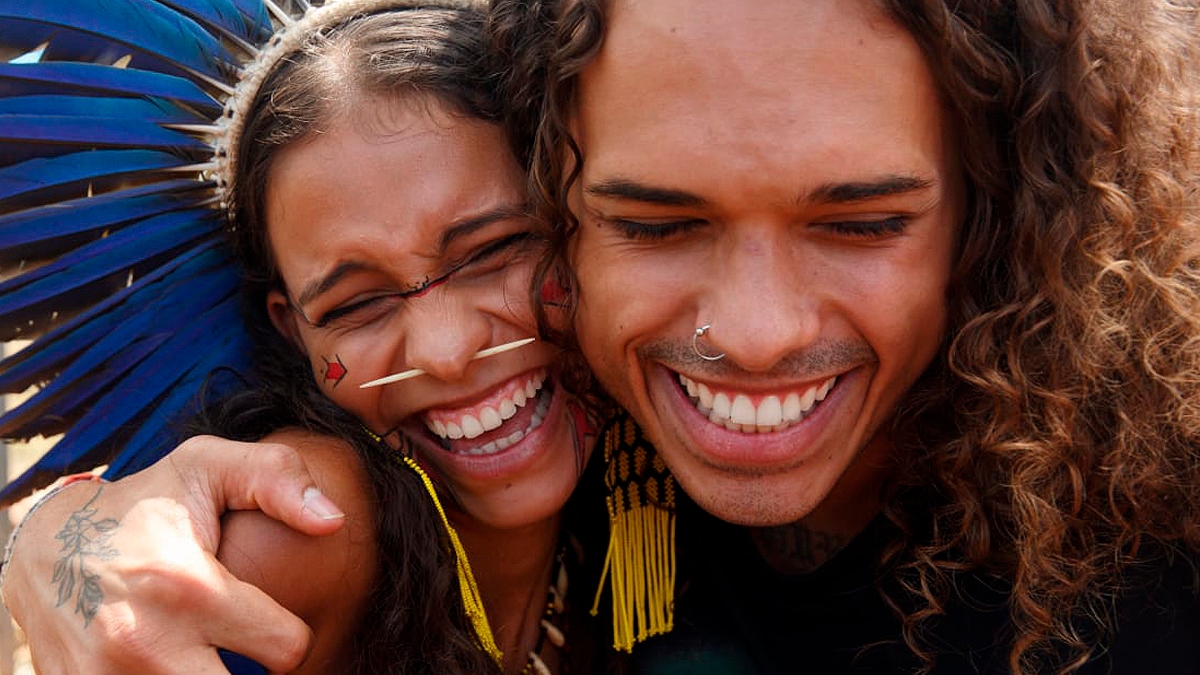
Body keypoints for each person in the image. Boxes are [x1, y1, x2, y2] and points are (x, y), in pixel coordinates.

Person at [6, 0, 1200, 673]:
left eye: (863, 220)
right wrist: (80, 532)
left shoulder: (1145, 531)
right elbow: (258, 538)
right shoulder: (370, 512)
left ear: (1002, 208)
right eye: (658, 222)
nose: (757, 330)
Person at [0, 1, 605, 674]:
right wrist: (51, 534)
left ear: (578, 214)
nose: (447, 350)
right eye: (360, 303)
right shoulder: (301, 536)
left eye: (495, 249)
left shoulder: (673, 438)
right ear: (292, 330)